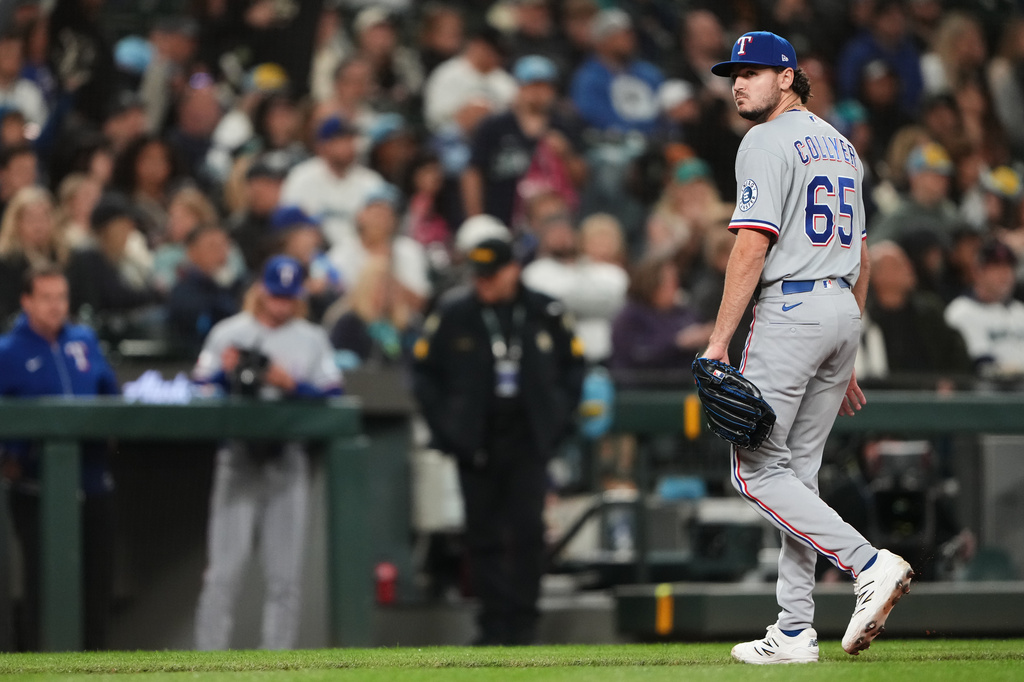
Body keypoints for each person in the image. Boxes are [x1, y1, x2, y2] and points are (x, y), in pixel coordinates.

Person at [701, 31, 914, 664]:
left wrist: (718, 342)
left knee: (756, 470)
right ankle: (795, 628)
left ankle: (867, 563)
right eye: (734, 73)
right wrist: (845, 344)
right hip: (840, 307)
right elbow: (864, 256)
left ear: (788, 77)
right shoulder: (841, 143)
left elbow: (750, 246)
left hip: (792, 306)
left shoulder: (764, 139)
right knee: (799, 475)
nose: (739, 83)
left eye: (755, 71)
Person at [412, 216, 584, 646]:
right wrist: (448, 429)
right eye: (479, 276)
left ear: (513, 270)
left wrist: (557, 419)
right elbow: (423, 375)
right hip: (477, 441)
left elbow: (573, 369)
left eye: (492, 275)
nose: (484, 284)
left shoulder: (546, 311)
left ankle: (524, 623)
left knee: (527, 533)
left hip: (527, 438)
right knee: (482, 535)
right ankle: (491, 625)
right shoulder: (454, 313)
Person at [192, 255, 343, 650]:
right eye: (275, 296)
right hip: (237, 460)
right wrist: (225, 376)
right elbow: (200, 388)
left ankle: (276, 667)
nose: (280, 305)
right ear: (262, 290)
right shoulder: (229, 333)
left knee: (285, 579)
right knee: (223, 574)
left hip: (286, 461)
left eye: (288, 298)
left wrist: (291, 384)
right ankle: (208, 668)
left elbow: (333, 395)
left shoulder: (311, 338)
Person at [0, 264, 119, 651]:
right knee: (42, 582)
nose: (56, 306)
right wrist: (11, 454)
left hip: (93, 482)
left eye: (61, 298)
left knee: (97, 585)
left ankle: (96, 671)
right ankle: (40, 665)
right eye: (47, 298)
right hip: (37, 488)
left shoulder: (84, 340)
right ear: (26, 302)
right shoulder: (8, 352)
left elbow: (110, 396)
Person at [944, 239, 1024, 378]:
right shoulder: (961, 312)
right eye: (995, 267)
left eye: (1009, 267)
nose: (1005, 274)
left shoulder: (1020, 311)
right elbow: (983, 365)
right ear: (977, 272)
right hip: (987, 396)